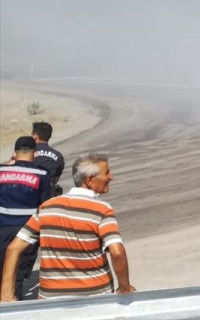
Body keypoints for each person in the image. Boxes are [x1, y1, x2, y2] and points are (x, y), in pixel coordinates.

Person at [0, 153, 135, 301]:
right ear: (90, 180)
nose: (111, 177)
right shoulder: (102, 210)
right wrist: (124, 287)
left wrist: (6, 293)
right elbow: (117, 252)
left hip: (50, 299)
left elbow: (14, 248)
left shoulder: (46, 208)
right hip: (95, 298)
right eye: (107, 172)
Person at [0, 136, 50, 300]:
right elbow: (45, 206)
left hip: (2, 228)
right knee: (18, 272)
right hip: (27, 231)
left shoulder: (1, 171)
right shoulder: (42, 174)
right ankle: (15, 306)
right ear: (35, 154)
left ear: (14, 153)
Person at [32, 121, 65, 197]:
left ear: (35, 136)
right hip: (49, 195)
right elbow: (56, 178)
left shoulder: (27, 153)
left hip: (28, 192)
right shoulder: (58, 156)